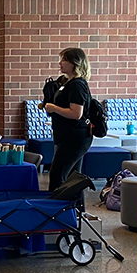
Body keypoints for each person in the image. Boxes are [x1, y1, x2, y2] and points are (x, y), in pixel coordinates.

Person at [44, 47, 93, 191]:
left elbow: (76, 113)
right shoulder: (66, 83)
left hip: (75, 138)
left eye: (64, 60)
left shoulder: (77, 84)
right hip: (67, 136)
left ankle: (57, 210)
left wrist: (54, 108)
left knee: (57, 175)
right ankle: (76, 210)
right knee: (73, 178)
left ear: (74, 63)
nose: (60, 63)